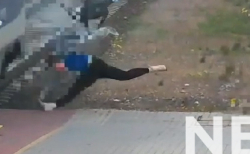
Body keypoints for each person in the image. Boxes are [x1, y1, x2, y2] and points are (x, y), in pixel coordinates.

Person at [38, 51, 166, 111]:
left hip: (92, 69)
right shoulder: (68, 58)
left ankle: (53, 105)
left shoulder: (67, 61)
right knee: (124, 75)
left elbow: (66, 76)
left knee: (75, 90)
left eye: (55, 66)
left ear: (58, 62)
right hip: (97, 63)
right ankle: (152, 69)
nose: (57, 69)